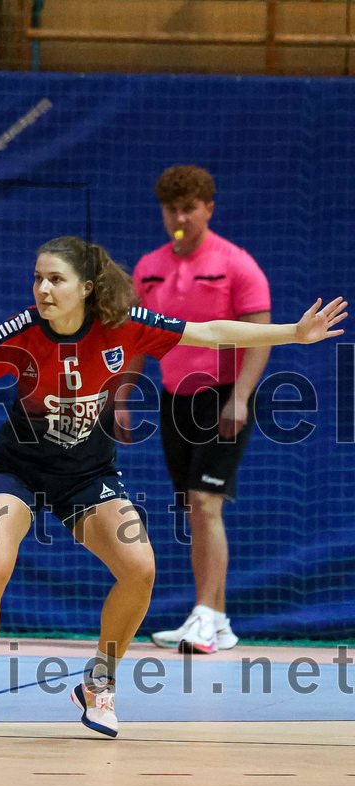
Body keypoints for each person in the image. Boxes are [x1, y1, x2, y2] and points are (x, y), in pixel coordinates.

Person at [0, 235, 345, 739]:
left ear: (86, 287)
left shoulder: (126, 327)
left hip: (88, 476)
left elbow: (209, 331)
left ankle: (99, 682)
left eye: (56, 279)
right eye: (38, 277)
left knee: (140, 569)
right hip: (18, 470)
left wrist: (292, 334)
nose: (43, 288)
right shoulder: (20, 332)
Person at [115, 165, 271, 654]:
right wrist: (121, 393)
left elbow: (261, 336)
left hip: (223, 395)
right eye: (172, 209)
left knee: (206, 504)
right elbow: (138, 339)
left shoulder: (236, 264)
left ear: (209, 207)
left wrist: (241, 397)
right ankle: (216, 621)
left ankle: (204, 616)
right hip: (173, 397)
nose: (180, 217)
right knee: (194, 509)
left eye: (190, 208)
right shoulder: (148, 267)